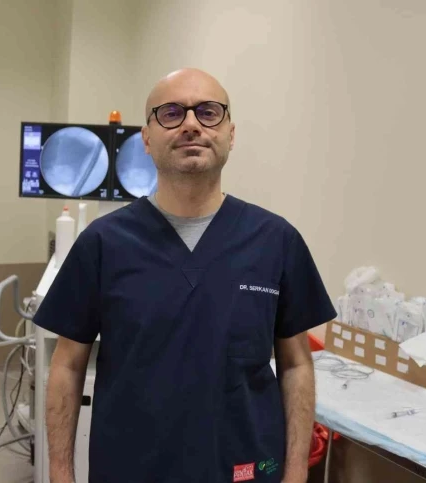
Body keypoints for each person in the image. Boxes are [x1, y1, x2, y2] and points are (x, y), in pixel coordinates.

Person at [34, 68, 336, 483]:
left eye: (208, 112)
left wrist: (297, 471)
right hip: (131, 469)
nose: (191, 124)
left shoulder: (276, 240)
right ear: (146, 138)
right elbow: (67, 365)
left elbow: (296, 364)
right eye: (172, 113)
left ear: (230, 133)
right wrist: (60, 475)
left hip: (246, 468)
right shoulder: (102, 244)